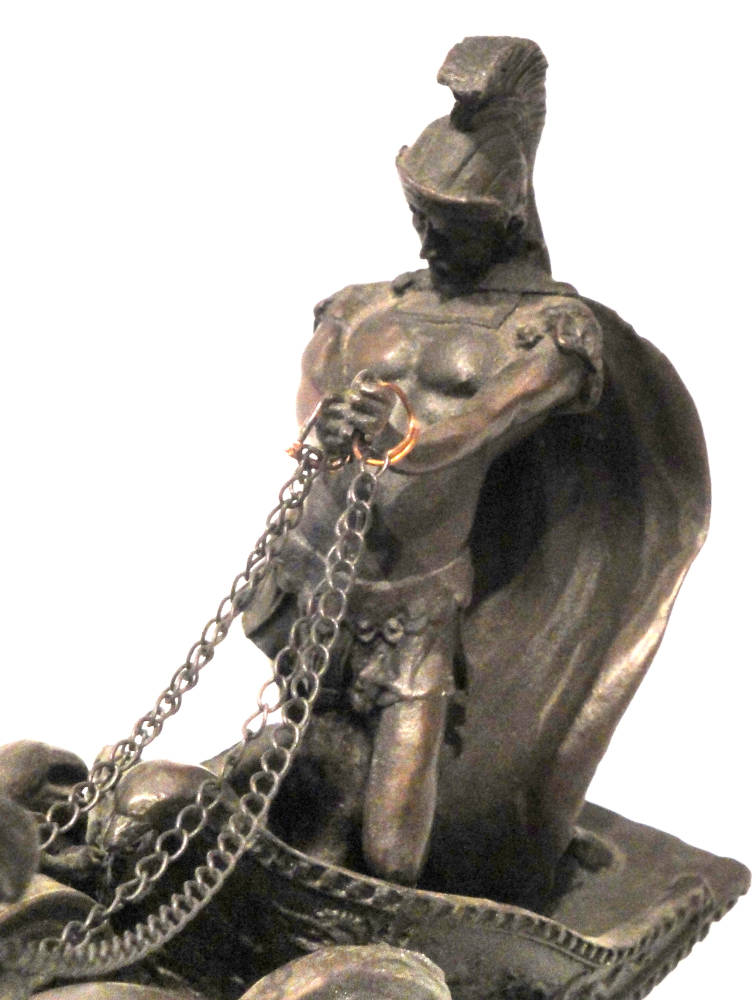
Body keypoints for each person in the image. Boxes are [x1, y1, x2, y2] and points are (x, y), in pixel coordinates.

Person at [242, 37, 607, 889]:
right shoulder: (362, 303)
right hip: (313, 579)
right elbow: (312, 386)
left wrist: (399, 435)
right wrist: (325, 420)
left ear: (506, 220)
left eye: (452, 228)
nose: (429, 240)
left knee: (394, 846)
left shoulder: (545, 332)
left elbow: (481, 425)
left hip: (414, 612)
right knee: (303, 775)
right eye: (421, 220)